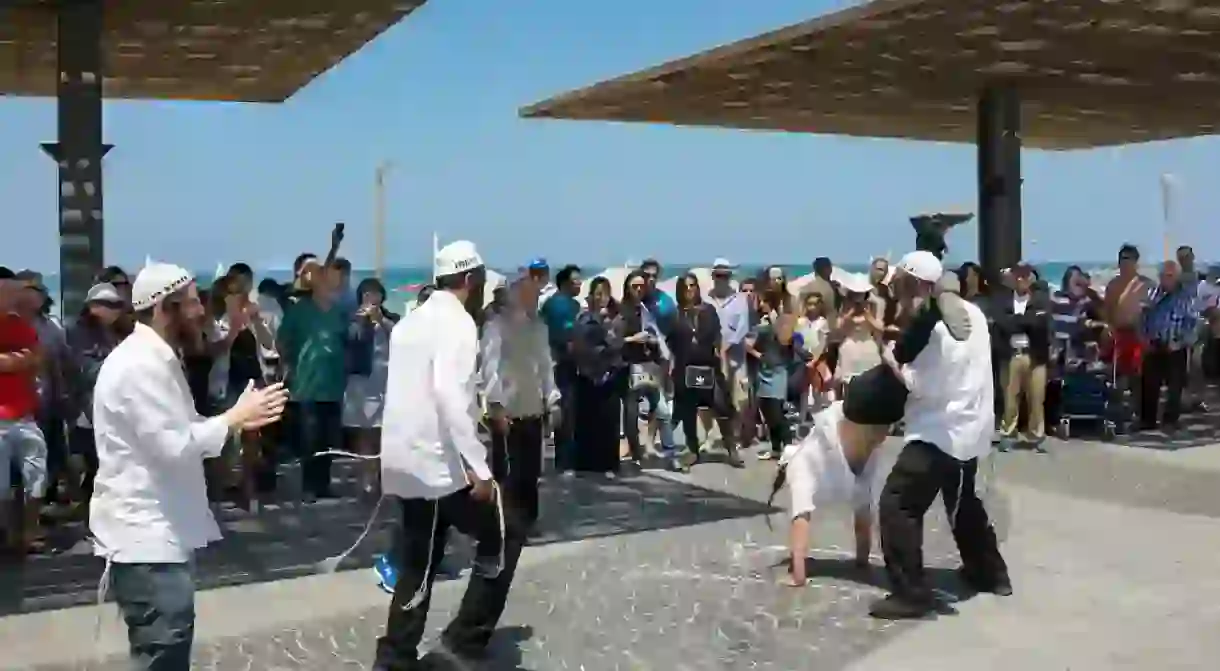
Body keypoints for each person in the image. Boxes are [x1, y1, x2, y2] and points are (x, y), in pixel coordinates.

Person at [90, 262, 287, 669]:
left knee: (167, 648)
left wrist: (237, 417)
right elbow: (173, 446)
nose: (202, 311)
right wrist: (233, 419)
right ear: (165, 308)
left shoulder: (156, 358)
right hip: (145, 538)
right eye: (193, 302)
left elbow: (188, 429)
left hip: (160, 534)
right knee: (163, 652)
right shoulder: (141, 365)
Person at [375, 241, 528, 669]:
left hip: (406, 461)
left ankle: (395, 659)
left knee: (418, 563)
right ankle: (464, 641)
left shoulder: (410, 321)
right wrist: (479, 469)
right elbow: (450, 398)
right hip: (441, 466)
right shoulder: (457, 324)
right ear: (470, 280)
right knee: (507, 531)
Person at [871, 251, 1011, 620]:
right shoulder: (975, 314)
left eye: (901, 283)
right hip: (973, 428)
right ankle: (990, 573)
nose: (898, 291)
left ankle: (910, 594)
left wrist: (890, 359)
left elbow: (921, 387)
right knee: (963, 502)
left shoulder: (933, 328)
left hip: (939, 432)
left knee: (898, 503)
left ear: (916, 284)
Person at [480, 272, 557, 530]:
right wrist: (496, 406)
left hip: (533, 409)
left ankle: (528, 520)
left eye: (535, 294)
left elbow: (545, 367)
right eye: (527, 293)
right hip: (508, 412)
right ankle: (506, 522)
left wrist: (553, 399)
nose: (533, 298)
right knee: (507, 471)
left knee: (531, 470)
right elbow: (489, 370)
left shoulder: (539, 327)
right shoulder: (496, 326)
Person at [0, 267, 47, 556]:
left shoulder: (20, 325)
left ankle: (28, 533)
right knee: (1, 484)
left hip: (25, 414)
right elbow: (23, 359)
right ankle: (8, 534)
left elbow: (38, 356)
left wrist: (15, 360)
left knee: (37, 475)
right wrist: (19, 360)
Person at [344, 278, 399, 496]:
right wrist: (362, 322)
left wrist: (381, 320)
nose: (371, 298)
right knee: (363, 433)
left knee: (383, 434)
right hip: (362, 383)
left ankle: (384, 477)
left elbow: (400, 338)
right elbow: (350, 339)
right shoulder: (353, 319)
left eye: (375, 293)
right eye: (366, 294)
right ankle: (366, 479)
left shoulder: (391, 318)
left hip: (386, 382)